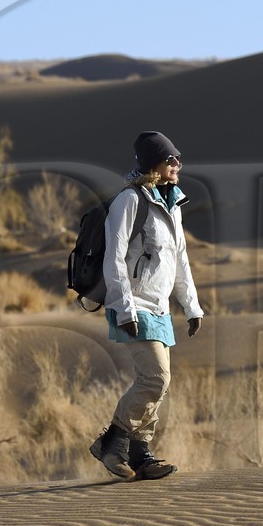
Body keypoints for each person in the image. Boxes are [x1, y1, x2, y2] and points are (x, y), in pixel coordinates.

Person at [90, 131, 205, 480]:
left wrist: (192, 306)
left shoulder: (172, 205)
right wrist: (125, 308)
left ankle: (141, 453)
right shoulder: (130, 201)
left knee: (158, 383)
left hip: (159, 307)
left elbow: (180, 261)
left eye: (178, 159)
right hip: (134, 305)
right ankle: (113, 440)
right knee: (156, 378)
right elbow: (114, 259)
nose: (177, 164)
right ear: (153, 163)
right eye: (170, 159)